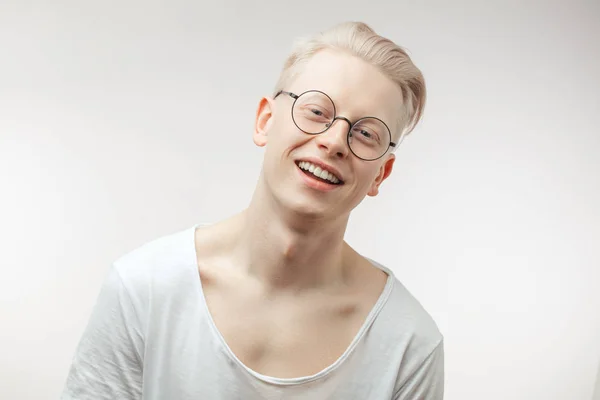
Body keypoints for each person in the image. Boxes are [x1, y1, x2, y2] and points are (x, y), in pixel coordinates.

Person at [61, 21, 444, 399]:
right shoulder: (143, 289)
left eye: (365, 133)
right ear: (265, 121)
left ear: (382, 174)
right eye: (316, 111)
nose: (333, 142)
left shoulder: (409, 345)